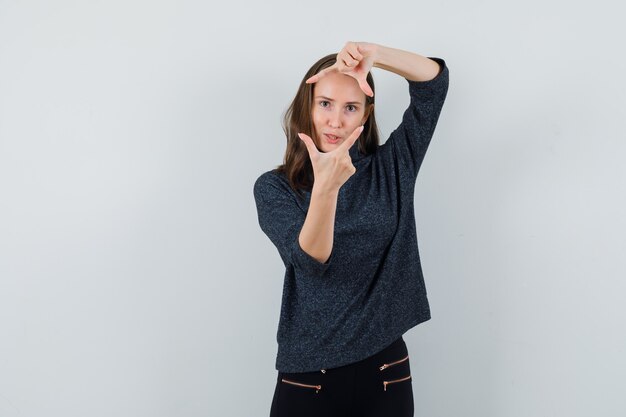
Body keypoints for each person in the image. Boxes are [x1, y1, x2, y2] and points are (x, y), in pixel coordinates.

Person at [253, 41, 449, 417]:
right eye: (325, 103)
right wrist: (325, 187)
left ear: (365, 114)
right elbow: (311, 261)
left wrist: (373, 54)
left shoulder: (392, 167)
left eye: (350, 108)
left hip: (385, 372)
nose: (335, 121)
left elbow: (434, 85)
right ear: (306, 107)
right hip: (309, 378)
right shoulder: (275, 188)